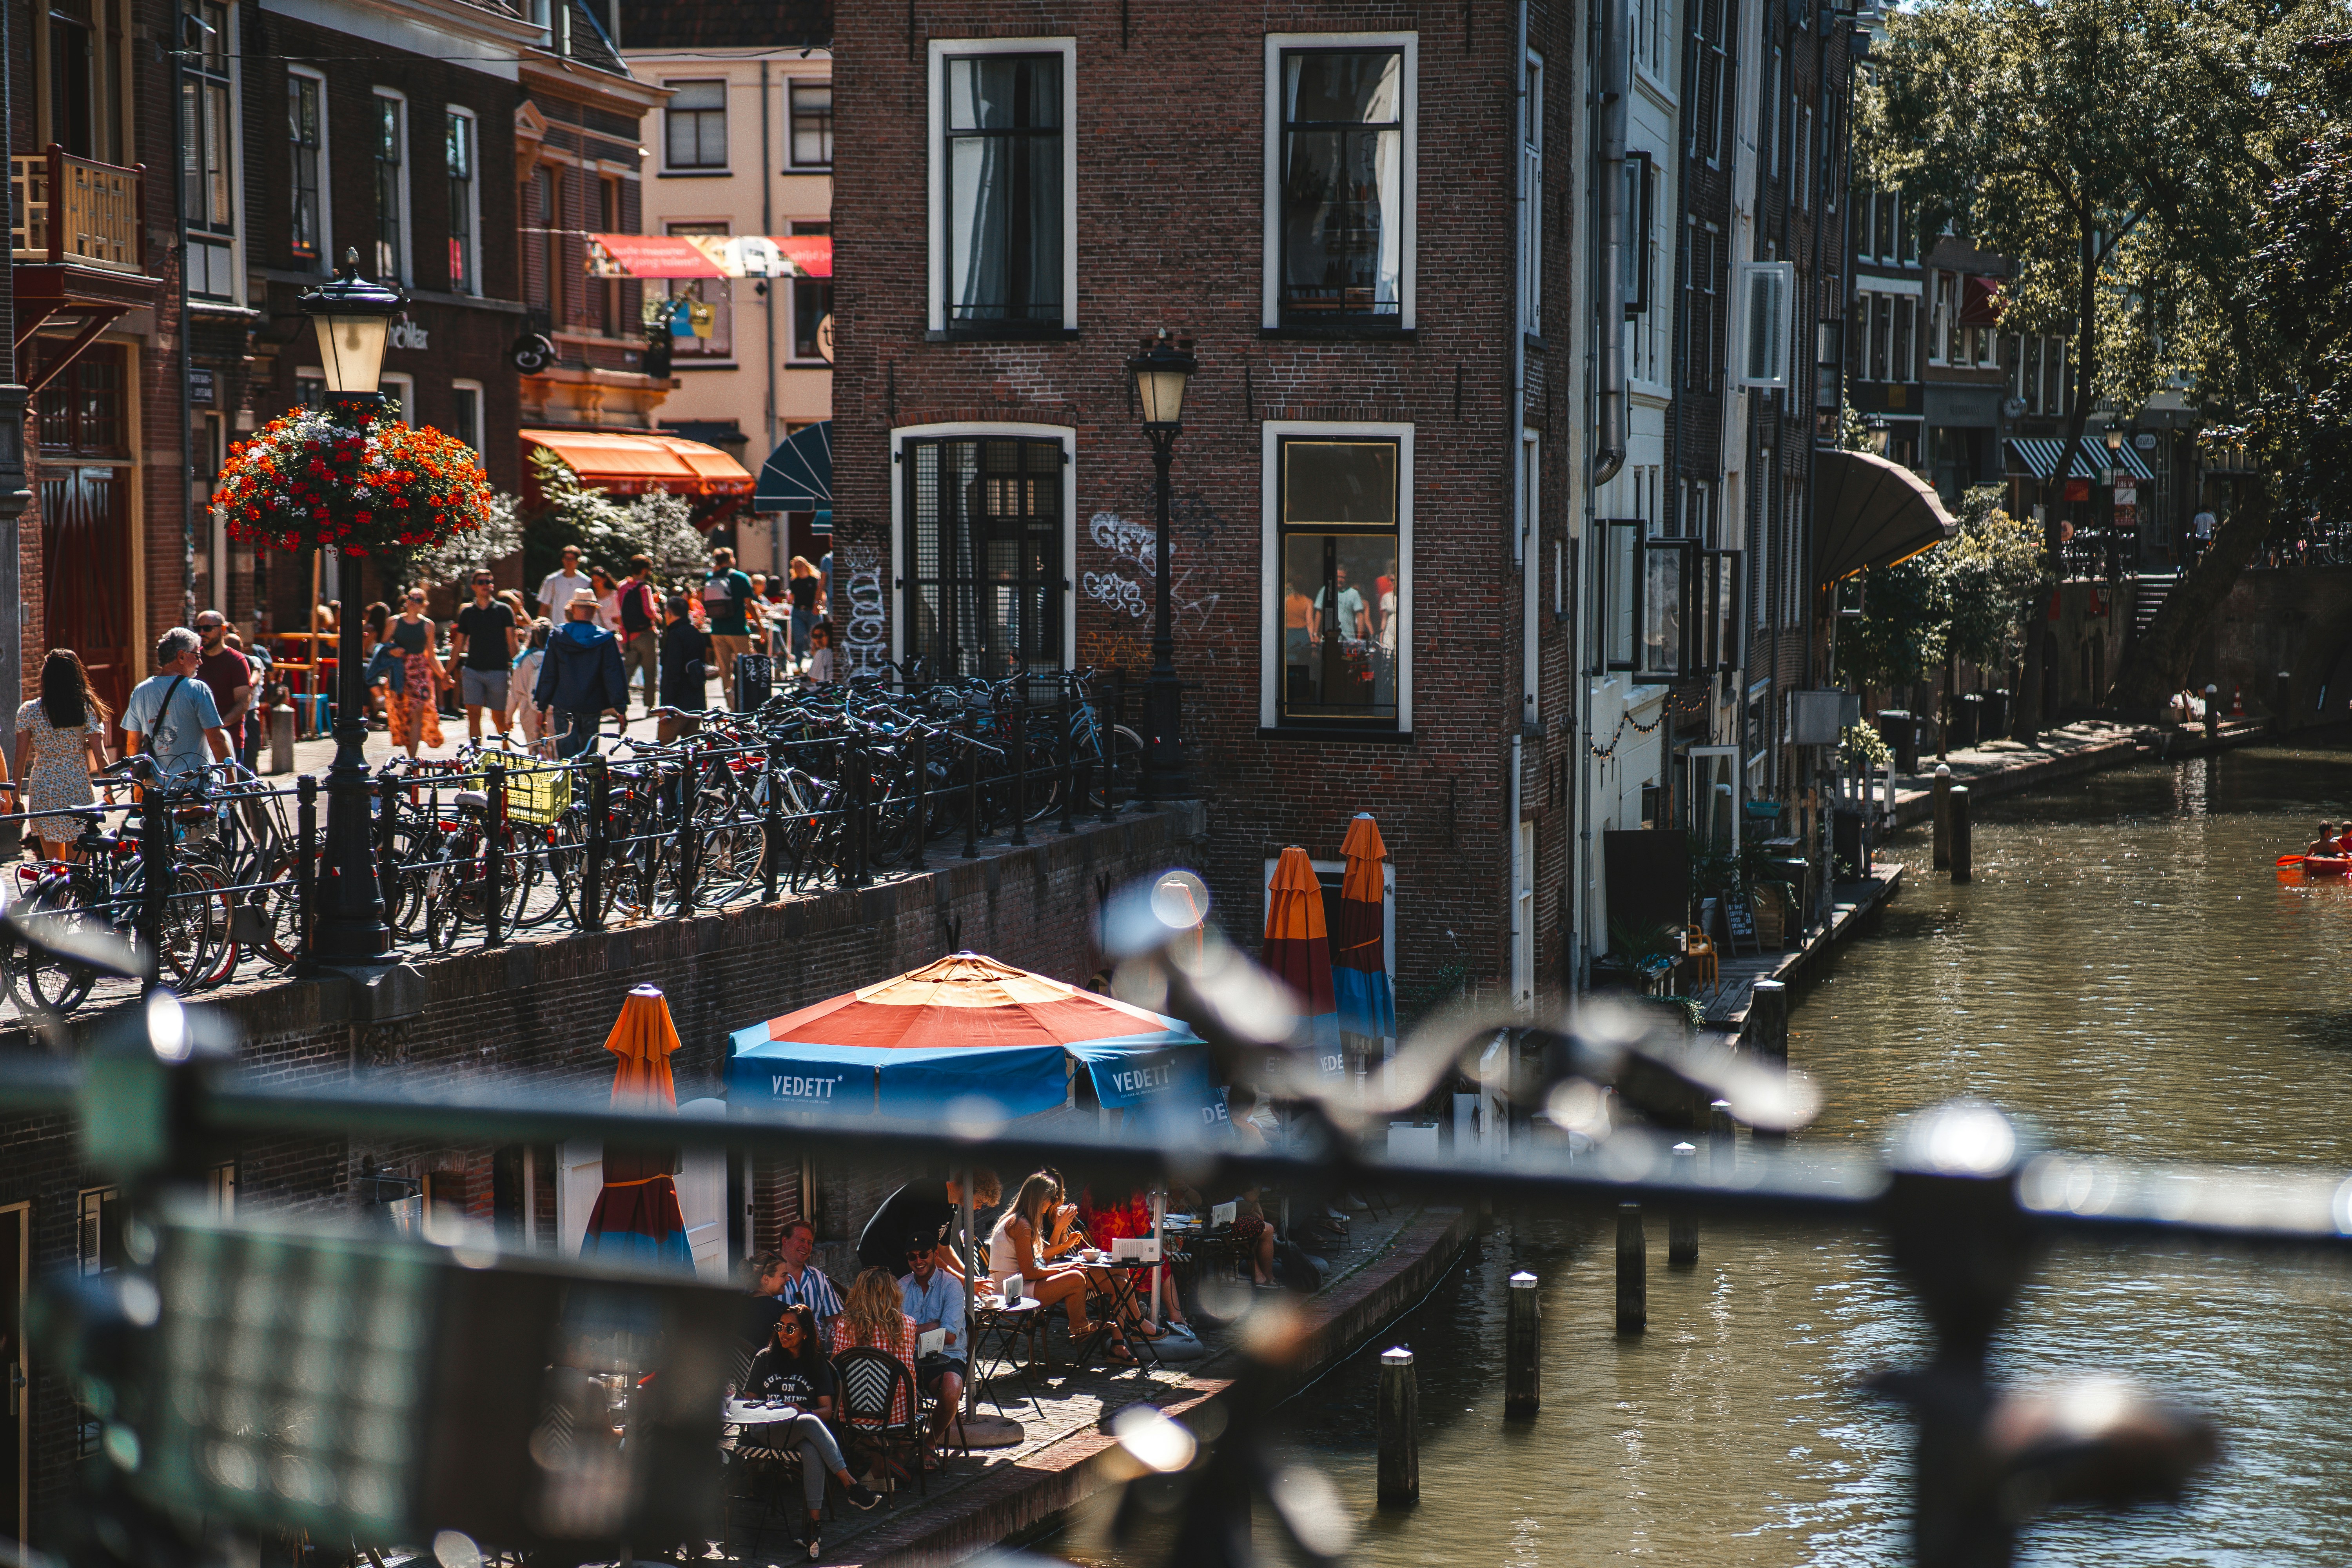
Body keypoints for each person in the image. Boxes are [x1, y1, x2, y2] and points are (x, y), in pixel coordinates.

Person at [736, 1304, 884, 1548]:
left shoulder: (816, 1363)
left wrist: (804, 1412)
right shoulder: (765, 1358)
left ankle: (813, 1531)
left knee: (811, 1445)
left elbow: (827, 1411)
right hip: (766, 1429)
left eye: (791, 1328)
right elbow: (748, 1402)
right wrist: (775, 1409)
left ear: (806, 1333)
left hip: (801, 1431)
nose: (783, 1333)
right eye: (780, 1327)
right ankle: (851, 1485)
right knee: (808, 1424)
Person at [987, 1172, 1136, 1361]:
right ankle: (1083, 1325)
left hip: (1022, 1283)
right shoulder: (1021, 1225)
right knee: (1076, 1278)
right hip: (1012, 1291)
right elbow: (1031, 1271)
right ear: (1040, 1198)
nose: (1054, 1203)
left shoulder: (1022, 1221)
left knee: (1119, 1277)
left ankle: (1120, 1342)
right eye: (1052, 1198)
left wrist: (1063, 1239)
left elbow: (1042, 1256)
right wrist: (1066, 1270)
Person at [14, 649, 112, 860]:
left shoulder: (29, 711)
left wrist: (16, 798)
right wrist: (108, 791)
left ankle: (58, 893)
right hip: (76, 788)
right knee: (79, 866)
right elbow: (101, 756)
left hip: (44, 790)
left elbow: (20, 759)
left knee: (55, 867)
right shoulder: (85, 710)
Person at [122, 628, 232, 780]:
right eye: (197, 655)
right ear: (181, 656)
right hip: (193, 786)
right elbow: (216, 740)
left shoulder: (141, 690)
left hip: (156, 789)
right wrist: (232, 781)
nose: (200, 661)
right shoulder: (197, 689)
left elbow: (133, 743)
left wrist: (136, 781)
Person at [532, 590, 626, 760]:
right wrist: (620, 710)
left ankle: (573, 785)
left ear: (573, 609)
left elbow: (549, 673)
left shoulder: (558, 635)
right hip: (592, 704)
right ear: (592, 611)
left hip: (564, 704)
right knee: (590, 757)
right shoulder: (605, 638)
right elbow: (613, 675)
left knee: (567, 759)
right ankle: (589, 786)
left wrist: (541, 707)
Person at [855, 1169, 999, 1277]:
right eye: (980, 1201)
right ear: (968, 1188)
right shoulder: (931, 1200)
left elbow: (944, 1250)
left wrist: (970, 1279)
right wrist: (964, 1281)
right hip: (882, 1256)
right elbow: (927, 1255)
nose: (979, 1207)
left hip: (900, 1256)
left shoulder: (951, 1205)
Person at [897, 1235, 966, 1455]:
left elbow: (950, 1337)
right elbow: (893, 1332)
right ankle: (899, 1446)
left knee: (952, 1389)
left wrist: (910, 1330)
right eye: (912, 1256)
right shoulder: (901, 1286)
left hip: (945, 1356)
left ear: (935, 1255)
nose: (919, 1261)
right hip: (909, 1359)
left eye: (924, 1255)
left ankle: (930, 1442)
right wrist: (933, 1326)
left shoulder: (952, 1285)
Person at [834, 1267, 920, 1430]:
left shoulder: (846, 1325)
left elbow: (835, 1368)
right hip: (900, 1413)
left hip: (854, 1412)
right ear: (893, 1294)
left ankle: (878, 1455)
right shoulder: (908, 1324)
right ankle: (893, 1455)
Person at [451, 570, 520, 743]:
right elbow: (458, 644)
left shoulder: (504, 610)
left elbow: (512, 642)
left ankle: (506, 751)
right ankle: (476, 755)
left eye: (489, 582)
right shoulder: (467, 612)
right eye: (481, 582)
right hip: (473, 670)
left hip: (498, 670)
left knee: (498, 716)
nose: (486, 585)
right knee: (473, 715)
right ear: (474, 587)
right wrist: (447, 673)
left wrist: (519, 667)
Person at [383, 588, 447, 759]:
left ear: (424, 605)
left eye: (418, 600)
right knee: (404, 713)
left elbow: (431, 656)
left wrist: (444, 676)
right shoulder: (394, 622)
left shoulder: (428, 625)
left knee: (418, 710)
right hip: (400, 671)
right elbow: (381, 647)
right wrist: (392, 650)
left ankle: (413, 759)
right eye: (411, 598)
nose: (413, 601)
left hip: (420, 672)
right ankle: (409, 751)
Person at [769, 1218, 845, 1347]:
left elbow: (836, 1322)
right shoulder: (769, 1278)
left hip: (814, 1352)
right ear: (785, 1241)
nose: (806, 1246)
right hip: (780, 1351)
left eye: (810, 1242)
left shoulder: (819, 1279)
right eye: (801, 1240)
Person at [193, 611, 252, 763]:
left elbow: (243, 702)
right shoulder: (193, 658)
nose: (201, 633)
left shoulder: (237, 661)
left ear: (223, 629)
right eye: (197, 629)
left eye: (207, 628)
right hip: (197, 742)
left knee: (230, 785)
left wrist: (217, 727)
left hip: (228, 739)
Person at [701, 545, 756, 706]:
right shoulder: (740, 578)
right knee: (747, 667)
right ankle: (747, 702)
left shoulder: (711, 578)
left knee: (725, 670)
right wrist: (760, 627)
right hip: (738, 629)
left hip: (717, 630)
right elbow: (749, 605)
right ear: (731, 559)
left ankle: (731, 704)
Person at [614, 553, 662, 715]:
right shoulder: (644, 588)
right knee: (650, 672)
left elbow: (620, 609)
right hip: (646, 634)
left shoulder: (622, 587)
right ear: (645, 570)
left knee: (627, 671)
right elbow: (649, 611)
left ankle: (620, 705)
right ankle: (650, 706)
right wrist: (659, 617)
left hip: (628, 636)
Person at [513, 619, 552, 748]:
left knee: (534, 752)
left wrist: (508, 718)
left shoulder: (523, 660)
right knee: (554, 751)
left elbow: (515, 692)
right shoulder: (556, 658)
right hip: (552, 712)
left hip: (528, 711)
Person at [535, 544, 592, 621]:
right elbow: (544, 606)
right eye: (567, 558)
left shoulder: (586, 582)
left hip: (578, 627)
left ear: (577, 561)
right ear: (563, 559)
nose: (569, 562)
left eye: (572, 559)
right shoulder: (552, 580)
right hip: (557, 627)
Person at [787, 555, 823, 669]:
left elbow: (821, 594)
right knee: (799, 639)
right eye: (796, 567)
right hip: (798, 611)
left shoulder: (814, 580)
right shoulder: (794, 582)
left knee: (816, 639)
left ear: (806, 566)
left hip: (812, 611)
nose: (799, 568)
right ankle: (798, 666)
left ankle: (816, 666)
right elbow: (792, 598)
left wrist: (818, 605)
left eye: (800, 566)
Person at [801, 622, 836, 689]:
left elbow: (814, 679)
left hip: (822, 691)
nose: (819, 640)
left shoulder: (822, 653)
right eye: (815, 636)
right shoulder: (835, 652)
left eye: (822, 636)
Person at [588, 565, 621, 631]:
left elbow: (618, 616)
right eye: (594, 581)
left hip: (611, 631)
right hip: (595, 631)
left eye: (598, 580)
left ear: (605, 580)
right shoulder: (590, 596)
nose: (596, 583)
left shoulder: (613, 595)